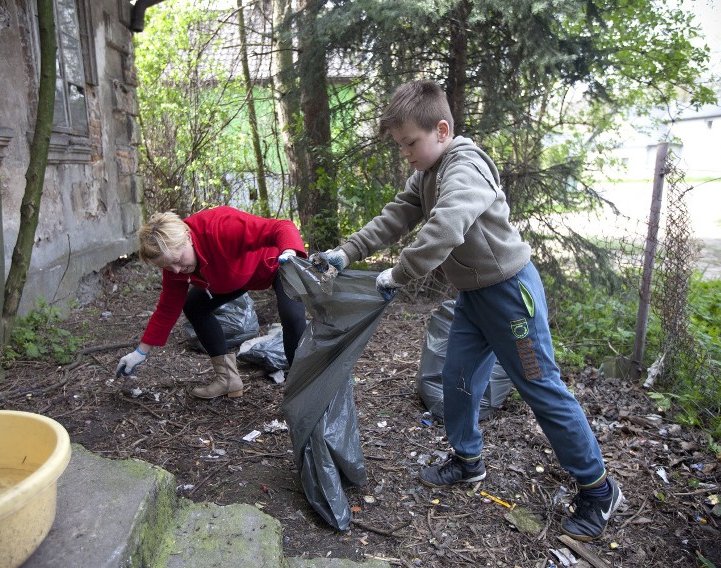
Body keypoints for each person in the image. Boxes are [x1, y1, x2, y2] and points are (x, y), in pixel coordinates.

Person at [319, 80, 624, 542]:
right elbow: (397, 215)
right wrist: (347, 253)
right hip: (474, 299)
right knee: (457, 380)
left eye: (410, 143)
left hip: (510, 297)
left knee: (542, 388)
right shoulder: (426, 174)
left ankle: (599, 489)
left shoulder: (466, 167)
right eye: (400, 145)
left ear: (441, 130)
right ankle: (467, 461)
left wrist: (396, 275)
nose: (405, 153)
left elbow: (445, 228)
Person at [116, 206, 308, 399]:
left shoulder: (221, 226)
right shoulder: (175, 265)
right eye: (167, 266)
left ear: (188, 238)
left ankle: (303, 390)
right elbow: (167, 308)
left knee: (292, 315)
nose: (175, 270)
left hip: (276, 264)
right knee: (194, 306)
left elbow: (281, 226)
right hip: (233, 277)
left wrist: (290, 253)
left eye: (178, 260)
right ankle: (228, 380)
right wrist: (140, 352)